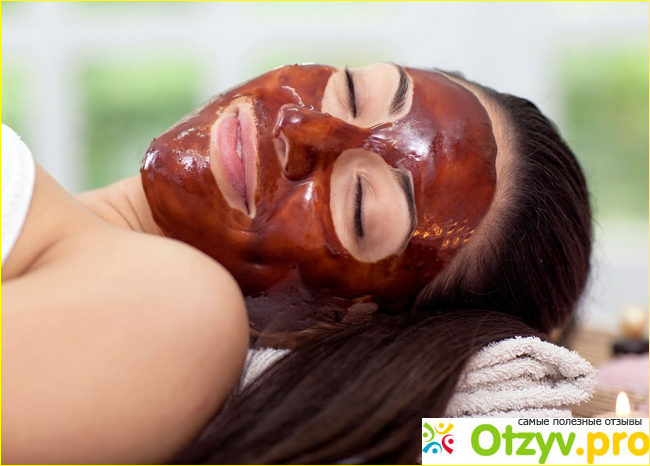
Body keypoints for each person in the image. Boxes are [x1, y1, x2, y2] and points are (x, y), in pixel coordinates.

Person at [1, 63, 591, 464]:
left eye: (358, 207)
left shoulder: (179, 308)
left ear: (340, 326)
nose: (298, 128)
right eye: (353, 91)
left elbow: (583, 443)